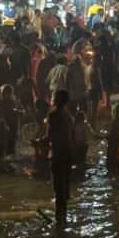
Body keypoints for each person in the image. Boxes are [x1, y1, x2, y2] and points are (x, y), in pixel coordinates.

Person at [47, 90, 74, 219]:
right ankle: (63, 220)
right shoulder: (68, 115)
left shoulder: (53, 115)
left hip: (58, 156)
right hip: (67, 155)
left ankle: (60, 223)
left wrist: (39, 142)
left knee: (59, 192)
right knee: (64, 192)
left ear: (55, 99)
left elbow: (51, 136)